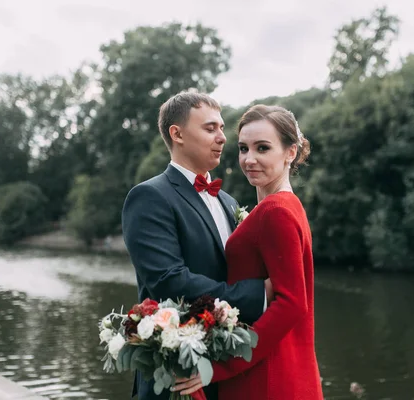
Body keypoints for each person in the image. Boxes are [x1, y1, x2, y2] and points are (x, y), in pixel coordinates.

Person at [122, 92, 274, 400]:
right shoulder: (149, 197)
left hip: (228, 372)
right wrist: (259, 295)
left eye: (221, 128)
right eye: (210, 128)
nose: (222, 138)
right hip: (174, 377)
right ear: (177, 134)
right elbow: (169, 280)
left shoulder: (228, 202)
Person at [173, 105, 324, 399]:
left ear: (290, 152)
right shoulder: (286, 206)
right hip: (279, 367)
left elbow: (292, 304)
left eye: (263, 148)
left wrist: (219, 367)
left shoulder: (276, 211)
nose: (249, 159)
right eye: (243, 148)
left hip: (266, 376)